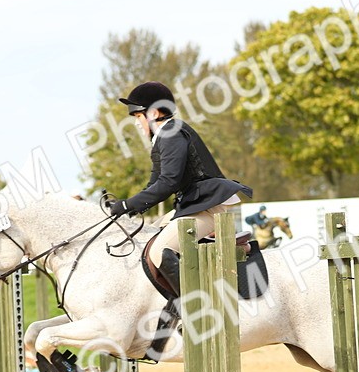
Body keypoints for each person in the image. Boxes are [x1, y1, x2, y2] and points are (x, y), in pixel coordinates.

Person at [106, 81, 252, 295]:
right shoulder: (162, 137)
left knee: (159, 252)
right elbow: (155, 183)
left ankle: (195, 309)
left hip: (208, 207)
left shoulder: (171, 134)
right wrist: (127, 208)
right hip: (195, 206)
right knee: (148, 236)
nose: (137, 123)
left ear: (154, 112)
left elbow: (169, 182)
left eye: (138, 116)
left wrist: (128, 204)